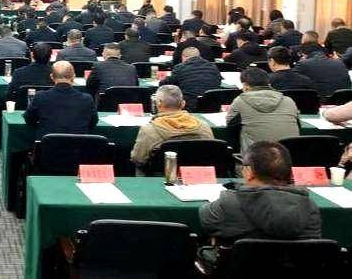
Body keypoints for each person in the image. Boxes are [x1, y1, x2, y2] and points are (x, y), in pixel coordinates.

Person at [197, 141, 321, 271]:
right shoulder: (310, 208)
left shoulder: (228, 203)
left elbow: (205, 218)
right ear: (290, 173)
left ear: (249, 172)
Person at [130, 85, 214, 168]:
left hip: (160, 174)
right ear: (183, 104)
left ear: (158, 103)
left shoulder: (148, 130)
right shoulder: (204, 127)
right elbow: (211, 155)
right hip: (197, 174)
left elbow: (138, 159)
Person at [227, 67, 299, 151]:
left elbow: (230, 125)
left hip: (256, 155)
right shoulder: (289, 101)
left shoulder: (240, 101)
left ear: (245, 86)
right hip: (289, 154)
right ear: (268, 83)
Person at [24, 61, 97, 139]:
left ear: (52, 77)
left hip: (48, 145)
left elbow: (29, 119)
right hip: (78, 145)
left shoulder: (40, 96)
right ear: (73, 76)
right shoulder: (87, 99)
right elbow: (93, 122)